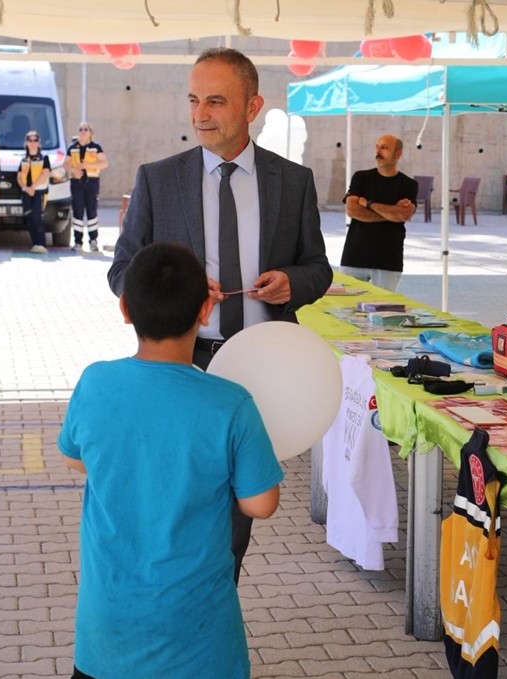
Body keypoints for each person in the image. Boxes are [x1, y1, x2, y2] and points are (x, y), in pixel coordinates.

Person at [108, 48, 332, 583]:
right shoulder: (159, 180)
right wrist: (175, 291)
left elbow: (318, 268)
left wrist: (291, 283)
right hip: (182, 366)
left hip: (261, 373)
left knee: (235, 518)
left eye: (215, 101)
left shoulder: (293, 182)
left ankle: (209, 618)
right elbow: (122, 271)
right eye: (193, 100)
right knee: (174, 505)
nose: (200, 113)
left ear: (252, 105)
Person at [61, 242, 282, 679]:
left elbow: (77, 460)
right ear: (205, 309)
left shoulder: (95, 382)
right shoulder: (230, 402)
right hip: (199, 643)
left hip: (108, 638)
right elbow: (261, 504)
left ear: (125, 308)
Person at [341, 134, 418, 292]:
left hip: (388, 261)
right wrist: (390, 214)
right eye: (377, 146)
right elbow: (352, 210)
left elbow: (404, 215)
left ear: (398, 154)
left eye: (384, 147)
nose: (378, 151)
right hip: (354, 257)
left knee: (383, 310)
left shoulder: (408, 185)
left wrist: (368, 203)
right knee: (345, 310)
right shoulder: (360, 178)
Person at [66, 121, 108, 252]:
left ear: (90, 133)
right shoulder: (73, 147)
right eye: (80, 129)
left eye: (85, 129)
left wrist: (88, 166)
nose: (82, 131)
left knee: (92, 211)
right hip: (76, 183)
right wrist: (73, 171)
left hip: (91, 182)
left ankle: (93, 241)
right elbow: (65, 164)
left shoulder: (96, 147)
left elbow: (104, 163)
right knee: (77, 211)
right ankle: (78, 241)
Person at [17, 129, 51, 254]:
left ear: (39, 143)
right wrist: (26, 188)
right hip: (27, 193)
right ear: (26, 143)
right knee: (30, 218)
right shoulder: (24, 160)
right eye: (30, 140)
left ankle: (41, 244)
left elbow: (45, 174)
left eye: (35, 140)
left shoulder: (44, 158)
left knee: (38, 218)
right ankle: (34, 244)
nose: (32, 142)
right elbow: (19, 177)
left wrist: (33, 187)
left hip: (39, 193)